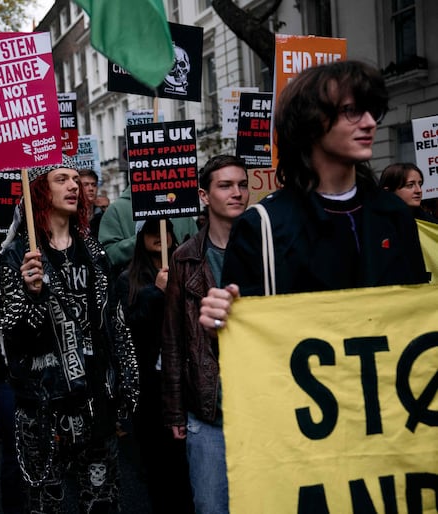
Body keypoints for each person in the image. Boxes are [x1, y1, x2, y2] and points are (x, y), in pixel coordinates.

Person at [200, 61, 428, 329]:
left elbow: (416, 315)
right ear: (310, 123)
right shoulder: (261, 227)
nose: (368, 123)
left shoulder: (394, 212)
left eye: (371, 111)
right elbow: (247, 342)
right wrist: (221, 322)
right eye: (351, 111)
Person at [0, 154, 138, 513]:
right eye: (61, 179)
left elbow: (114, 322)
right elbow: (13, 340)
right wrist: (33, 294)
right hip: (43, 409)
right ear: (40, 190)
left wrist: (128, 383)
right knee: (47, 505)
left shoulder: (93, 252)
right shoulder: (15, 259)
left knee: (102, 502)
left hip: (94, 401)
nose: (73, 186)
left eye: (75, 178)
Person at [161, 155, 249, 514]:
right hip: (209, 411)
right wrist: (175, 413)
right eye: (225, 185)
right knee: (212, 506)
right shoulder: (184, 260)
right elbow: (173, 342)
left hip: (261, 407)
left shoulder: (272, 250)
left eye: (242, 184)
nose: (238, 193)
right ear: (203, 194)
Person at [114, 218, 194, 514]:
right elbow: (127, 326)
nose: (159, 236)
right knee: (157, 463)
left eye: (164, 229)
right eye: (151, 231)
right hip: (149, 385)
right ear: (140, 238)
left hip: (184, 378)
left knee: (186, 462)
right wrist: (156, 292)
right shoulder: (127, 279)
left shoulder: (188, 268)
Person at [98, 185, 198, 281]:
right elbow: (107, 255)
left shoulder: (180, 205)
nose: (158, 234)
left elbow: (197, 251)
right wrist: (141, 240)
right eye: (153, 231)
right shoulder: (116, 210)